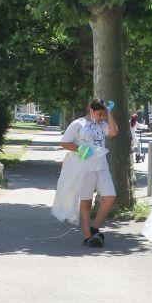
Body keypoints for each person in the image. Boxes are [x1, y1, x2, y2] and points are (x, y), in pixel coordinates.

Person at [59, 99, 119, 247]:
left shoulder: (103, 124)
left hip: (101, 166)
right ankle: (87, 236)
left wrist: (109, 113)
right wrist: (80, 149)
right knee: (86, 201)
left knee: (110, 197)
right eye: (99, 114)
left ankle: (95, 228)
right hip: (85, 168)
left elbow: (113, 132)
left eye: (103, 114)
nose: (101, 117)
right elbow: (64, 142)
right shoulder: (78, 124)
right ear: (90, 110)